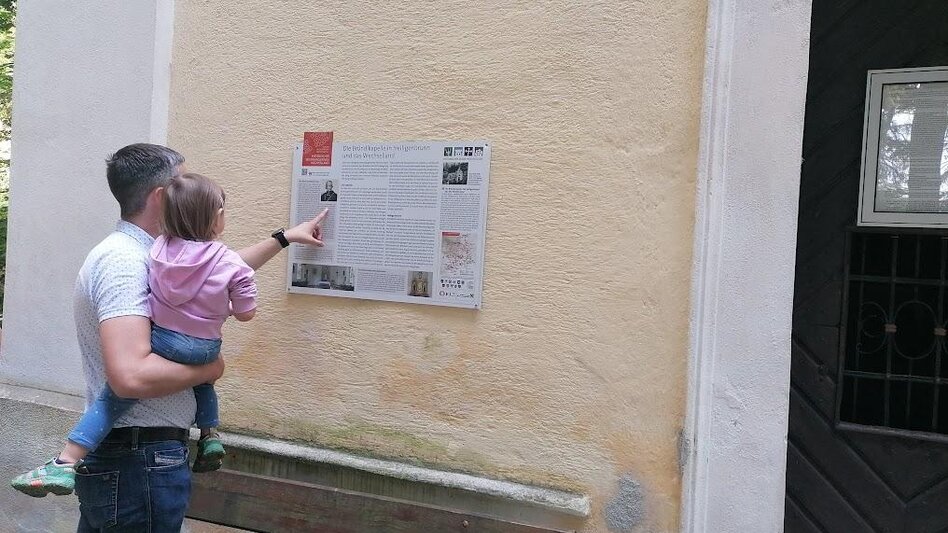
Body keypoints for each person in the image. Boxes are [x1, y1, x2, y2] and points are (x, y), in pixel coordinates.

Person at [9, 144, 327, 532]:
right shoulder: (125, 262)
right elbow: (130, 377)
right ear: (161, 197)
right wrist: (211, 367)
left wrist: (283, 238)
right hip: (137, 461)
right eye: (180, 183)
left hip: (137, 459)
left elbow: (221, 269)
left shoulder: (156, 253)